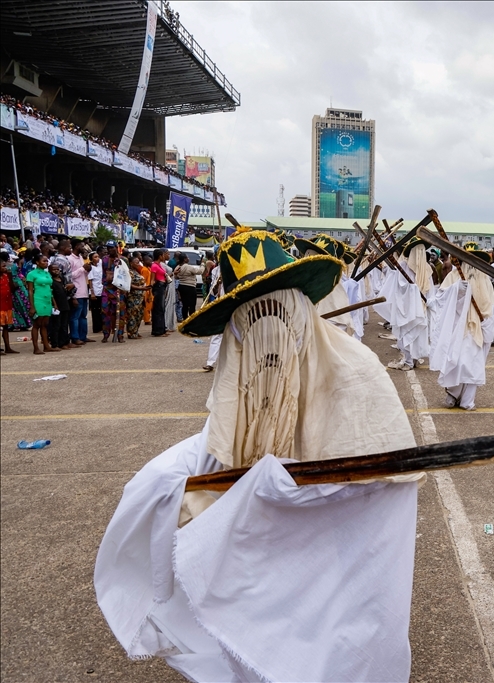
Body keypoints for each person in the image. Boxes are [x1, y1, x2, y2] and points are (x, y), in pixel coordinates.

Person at [95, 230, 423, 682]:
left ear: (304, 314)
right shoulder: (238, 383)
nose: (270, 339)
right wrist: (179, 489)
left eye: (281, 317)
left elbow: (383, 498)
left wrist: (284, 493)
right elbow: (209, 458)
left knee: (341, 649)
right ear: (236, 332)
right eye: (254, 322)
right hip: (259, 577)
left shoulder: (357, 377)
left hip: (337, 572)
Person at [429, 245, 494, 410]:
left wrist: (486, 323)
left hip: (477, 330)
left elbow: (491, 306)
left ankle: (468, 400)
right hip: (457, 328)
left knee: (472, 365)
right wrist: (456, 290)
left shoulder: (484, 279)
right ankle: (453, 393)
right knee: (456, 362)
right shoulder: (454, 277)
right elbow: (437, 300)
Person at [382, 238, 432, 371]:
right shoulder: (404, 266)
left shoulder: (426, 268)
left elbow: (429, 288)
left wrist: (420, 294)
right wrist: (414, 289)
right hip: (407, 305)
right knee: (407, 332)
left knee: (415, 333)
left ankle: (413, 359)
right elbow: (401, 285)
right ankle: (409, 359)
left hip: (419, 306)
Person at [25, 250, 56, 354]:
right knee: (37, 324)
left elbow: (50, 288)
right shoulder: (31, 274)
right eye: (44, 261)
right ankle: (36, 348)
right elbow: (30, 290)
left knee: (44, 324)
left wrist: (54, 302)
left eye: (47, 261)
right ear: (37, 262)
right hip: (38, 300)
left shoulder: (47, 273)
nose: (46, 263)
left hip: (47, 300)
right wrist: (32, 306)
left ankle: (46, 345)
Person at [101, 243, 127, 343]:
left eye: (111, 248)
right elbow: (104, 273)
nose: (109, 250)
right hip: (107, 288)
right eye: (108, 248)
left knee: (121, 314)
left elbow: (126, 274)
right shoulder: (104, 259)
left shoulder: (123, 259)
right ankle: (106, 334)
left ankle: (120, 335)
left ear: (116, 248)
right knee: (105, 312)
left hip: (119, 289)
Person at [68, 239, 89, 345]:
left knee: (83, 316)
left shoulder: (81, 257)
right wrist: (82, 269)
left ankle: (83, 336)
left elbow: (82, 274)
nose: (83, 248)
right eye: (82, 246)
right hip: (76, 292)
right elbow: (70, 276)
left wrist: (87, 270)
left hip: (84, 290)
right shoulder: (70, 259)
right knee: (75, 316)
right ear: (76, 246)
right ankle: (75, 337)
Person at [173, 253, 205, 321]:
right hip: (190, 287)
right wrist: (202, 265)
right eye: (187, 257)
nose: (188, 259)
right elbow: (199, 272)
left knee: (185, 305)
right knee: (192, 304)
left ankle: (185, 319)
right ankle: (191, 319)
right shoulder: (188, 267)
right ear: (185, 259)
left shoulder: (178, 267)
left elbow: (176, 277)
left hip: (181, 286)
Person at [125, 256, 150, 339]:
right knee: (132, 315)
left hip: (140, 296)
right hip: (133, 296)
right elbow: (129, 284)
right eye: (136, 262)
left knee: (139, 314)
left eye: (139, 262)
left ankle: (135, 331)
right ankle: (131, 332)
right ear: (131, 263)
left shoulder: (137, 271)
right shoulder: (129, 272)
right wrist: (141, 288)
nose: (138, 264)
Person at [0, 252, 19, 354]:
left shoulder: (6, 276)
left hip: (7, 304)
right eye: (3, 266)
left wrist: (10, 277)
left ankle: (8, 347)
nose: (5, 268)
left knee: (6, 327)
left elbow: (12, 288)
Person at [150, 249, 170, 337]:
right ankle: (158, 330)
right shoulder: (154, 266)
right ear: (159, 256)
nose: (164, 256)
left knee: (161, 309)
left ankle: (162, 329)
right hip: (158, 287)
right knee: (158, 309)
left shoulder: (159, 265)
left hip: (162, 287)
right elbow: (152, 279)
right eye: (162, 255)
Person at [87, 251, 103, 334]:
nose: (97, 258)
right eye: (95, 257)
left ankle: (102, 325)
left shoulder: (100, 265)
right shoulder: (91, 267)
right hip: (95, 290)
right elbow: (90, 280)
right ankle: (97, 328)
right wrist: (92, 292)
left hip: (101, 289)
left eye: (98, 256)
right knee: (95, 310)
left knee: (101, 309)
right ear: (91, 259)